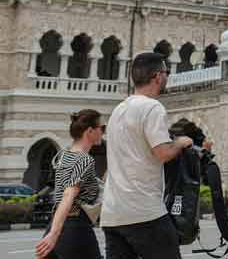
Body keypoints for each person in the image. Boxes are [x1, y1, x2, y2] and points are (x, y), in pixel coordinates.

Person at [101, 52, 194, 259]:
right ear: (158, 76)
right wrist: (180, 142)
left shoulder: (118, 110)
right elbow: (162, 152)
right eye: (167, 72)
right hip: (144, 212)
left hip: (113, 214)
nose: (167, 77)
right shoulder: (152, 107)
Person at [35, 110, 105, 259]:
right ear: (90, 131)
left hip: (57, 226)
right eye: (102, 128)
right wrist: (54, 235)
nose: (103, 132)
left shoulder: (64, 155)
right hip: (76, 230)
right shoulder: (84, 160)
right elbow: (68, 195)